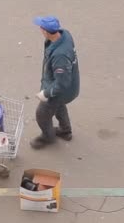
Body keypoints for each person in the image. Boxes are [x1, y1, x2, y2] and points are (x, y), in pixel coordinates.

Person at [30, 16, 80, 149]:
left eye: (41, 27)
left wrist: (46, 93)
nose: (40, 29)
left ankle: (48, 137)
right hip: (66, 88)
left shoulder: (60, 56)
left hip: (60, 91)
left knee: (42, 114)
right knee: (59, 107)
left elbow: (62, 83)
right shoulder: (65, 34)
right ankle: (65, 131)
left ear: (46, 32)